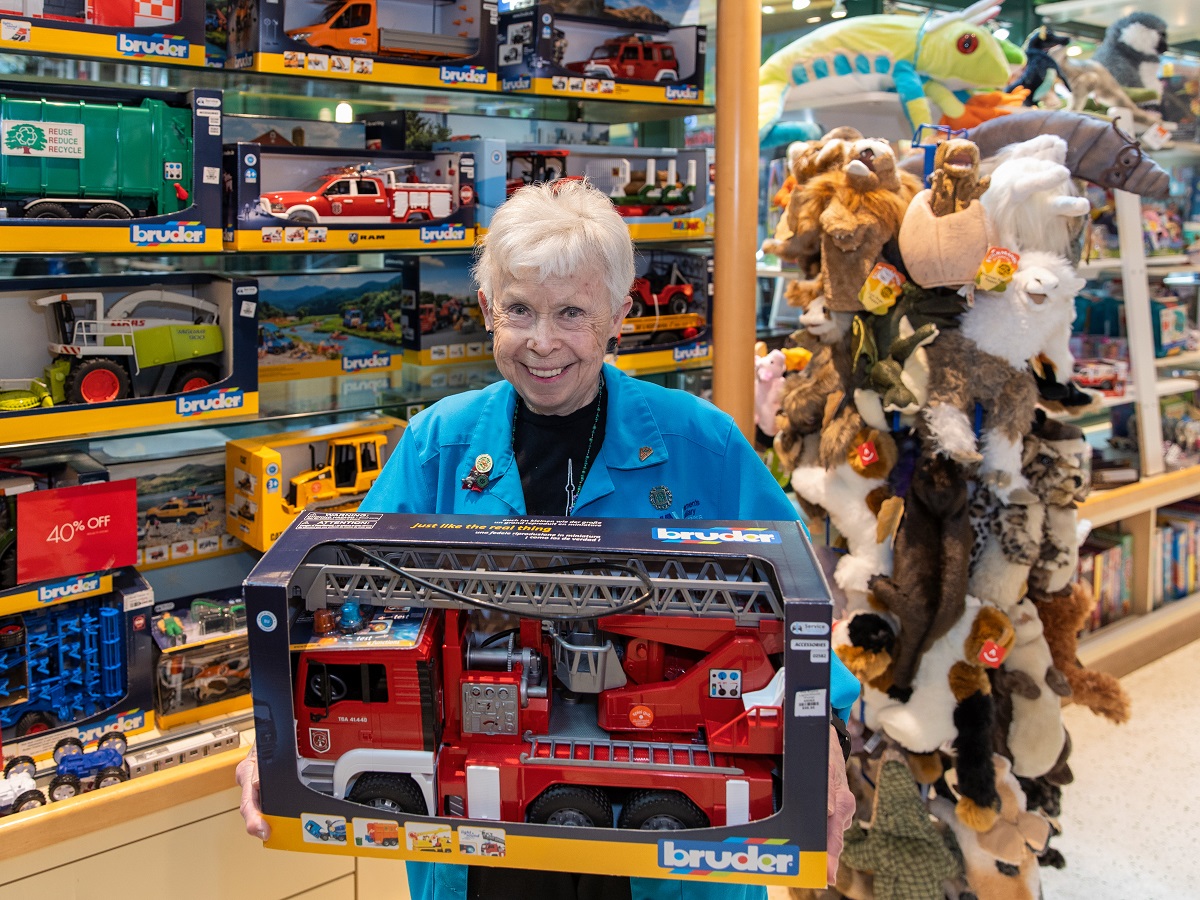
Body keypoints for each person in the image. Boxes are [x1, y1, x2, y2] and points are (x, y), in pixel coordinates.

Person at [238, 180, 859, 898]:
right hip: (484, 836)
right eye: (520, 310)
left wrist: (826, 740)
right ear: (484, 311)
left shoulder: (701, 441)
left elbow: (798, 604)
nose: (542, 343)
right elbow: (340, 600)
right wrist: (272, 731)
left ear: (619, 316)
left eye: (572, 313)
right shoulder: (438, 444)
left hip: (662, 829)